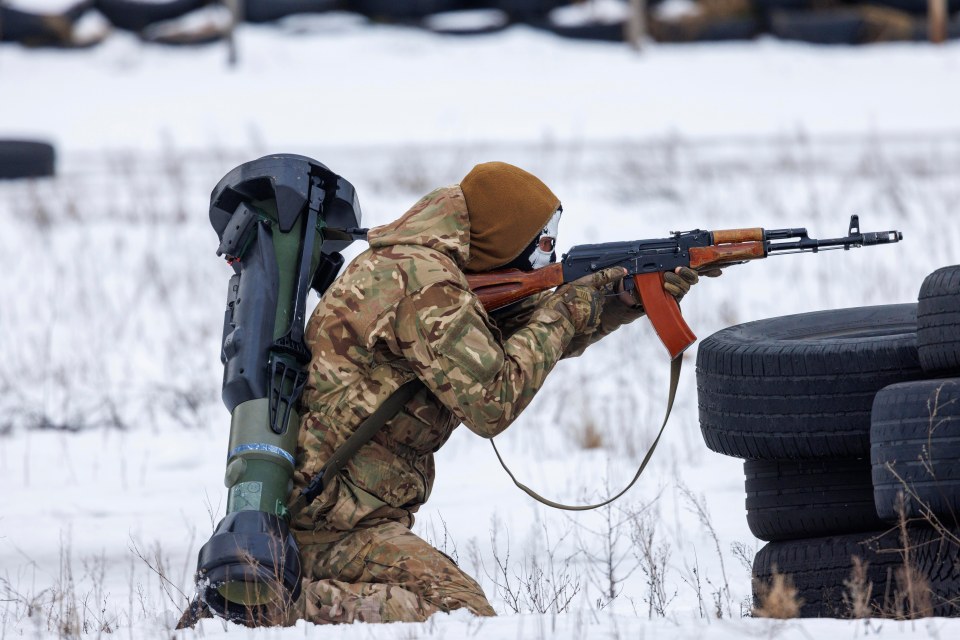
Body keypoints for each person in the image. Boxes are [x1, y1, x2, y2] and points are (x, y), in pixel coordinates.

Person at [285, 161, 710, 624]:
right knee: (456, 615)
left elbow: (515, 340)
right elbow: (493, 400)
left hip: (344, 509)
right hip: (328, 523)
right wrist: (567, 310)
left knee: (456, 612)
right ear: (504, 237)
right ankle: (273, 609)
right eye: (542, 243)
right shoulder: (424, 284)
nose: (549, 255)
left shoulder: (422, 265)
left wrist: (619, 301)